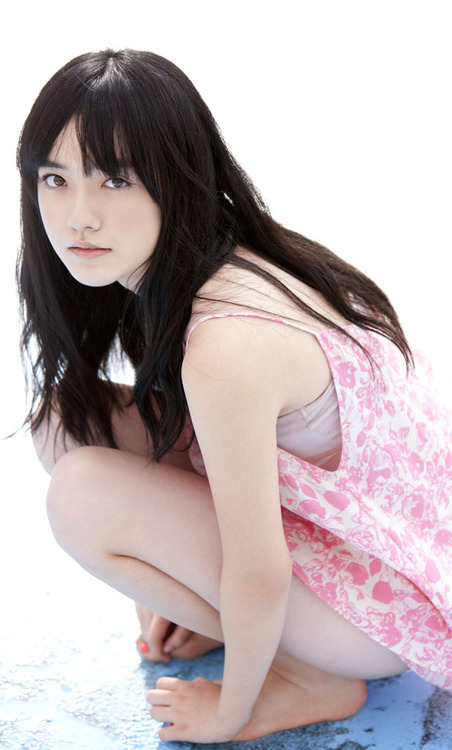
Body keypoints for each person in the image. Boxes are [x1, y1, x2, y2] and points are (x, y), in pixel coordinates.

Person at [17, 48, 452, 744]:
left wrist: (231, 712)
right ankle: (232, 624)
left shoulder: (227, 344)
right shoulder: (218, 253)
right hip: (349, 534)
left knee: (81, 495)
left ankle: (306, 674)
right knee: (65, 422)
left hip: (382, 611)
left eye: (116, 178)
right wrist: (166, 585)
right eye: (56, 179)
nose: (79, 217)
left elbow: (259, 570)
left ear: (176, 174)